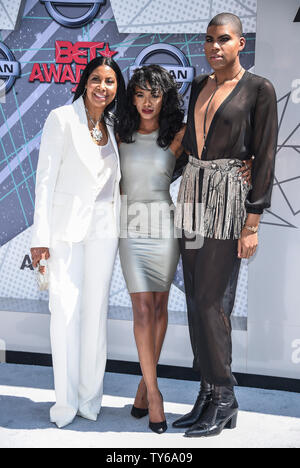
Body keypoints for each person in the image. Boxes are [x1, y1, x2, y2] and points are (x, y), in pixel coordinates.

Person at [117, 65, 252, 434]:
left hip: (164, 226)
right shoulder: (119, 133)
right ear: (132, 97)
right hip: (130, 228)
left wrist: (249, 163)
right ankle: (155, 392)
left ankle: (145, 385)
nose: (147, 102)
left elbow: (220, 147)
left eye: (155, 95)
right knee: (142, 311)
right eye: (140, 94)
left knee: (160, 309)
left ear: (165, 98)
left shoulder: (177, 135)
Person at [172, 13, 278, 438]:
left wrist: (252, 222)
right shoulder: (199, 84)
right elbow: (188, 144)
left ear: (240, 44)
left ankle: (225, 396)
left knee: (212, 302)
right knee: (196, 300)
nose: (215, 47)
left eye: (224, 39)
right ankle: (207, 392)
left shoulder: (260, 90)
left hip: (227, 201)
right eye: (209, 40)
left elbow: (265, 155)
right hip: (193, 197)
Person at [30, 56, 126, 428]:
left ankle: (89, 399)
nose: (104, 87)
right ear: (85, 82)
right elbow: (44, 180)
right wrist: (41, 238)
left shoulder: (114, 126)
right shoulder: (61, 119)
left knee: (94, 316)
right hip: (65, 234)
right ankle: (65, 404)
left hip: (104, 233)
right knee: (65, 316)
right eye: (97, 79)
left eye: (111, 81)